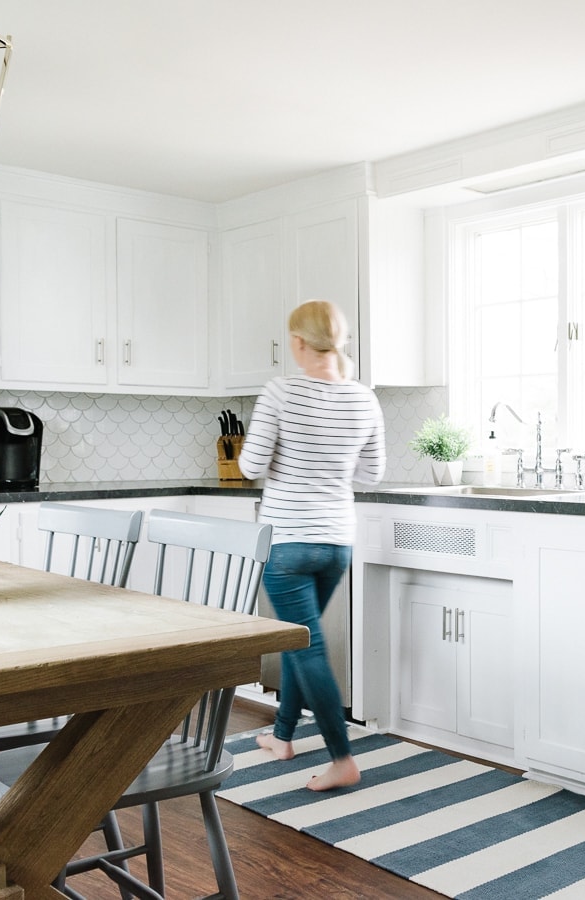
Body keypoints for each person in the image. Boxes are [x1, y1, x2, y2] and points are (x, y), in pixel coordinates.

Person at [238, 299, 385, 791]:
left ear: (298, 343)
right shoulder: (364, 399)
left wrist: (287, 455)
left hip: (290, 543)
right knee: (304, 645)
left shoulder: (280, 392)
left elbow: (251, 466)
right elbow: (371, 474)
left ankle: (342, 758)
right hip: (336, 543)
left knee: (307, 647)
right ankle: (282, 736)